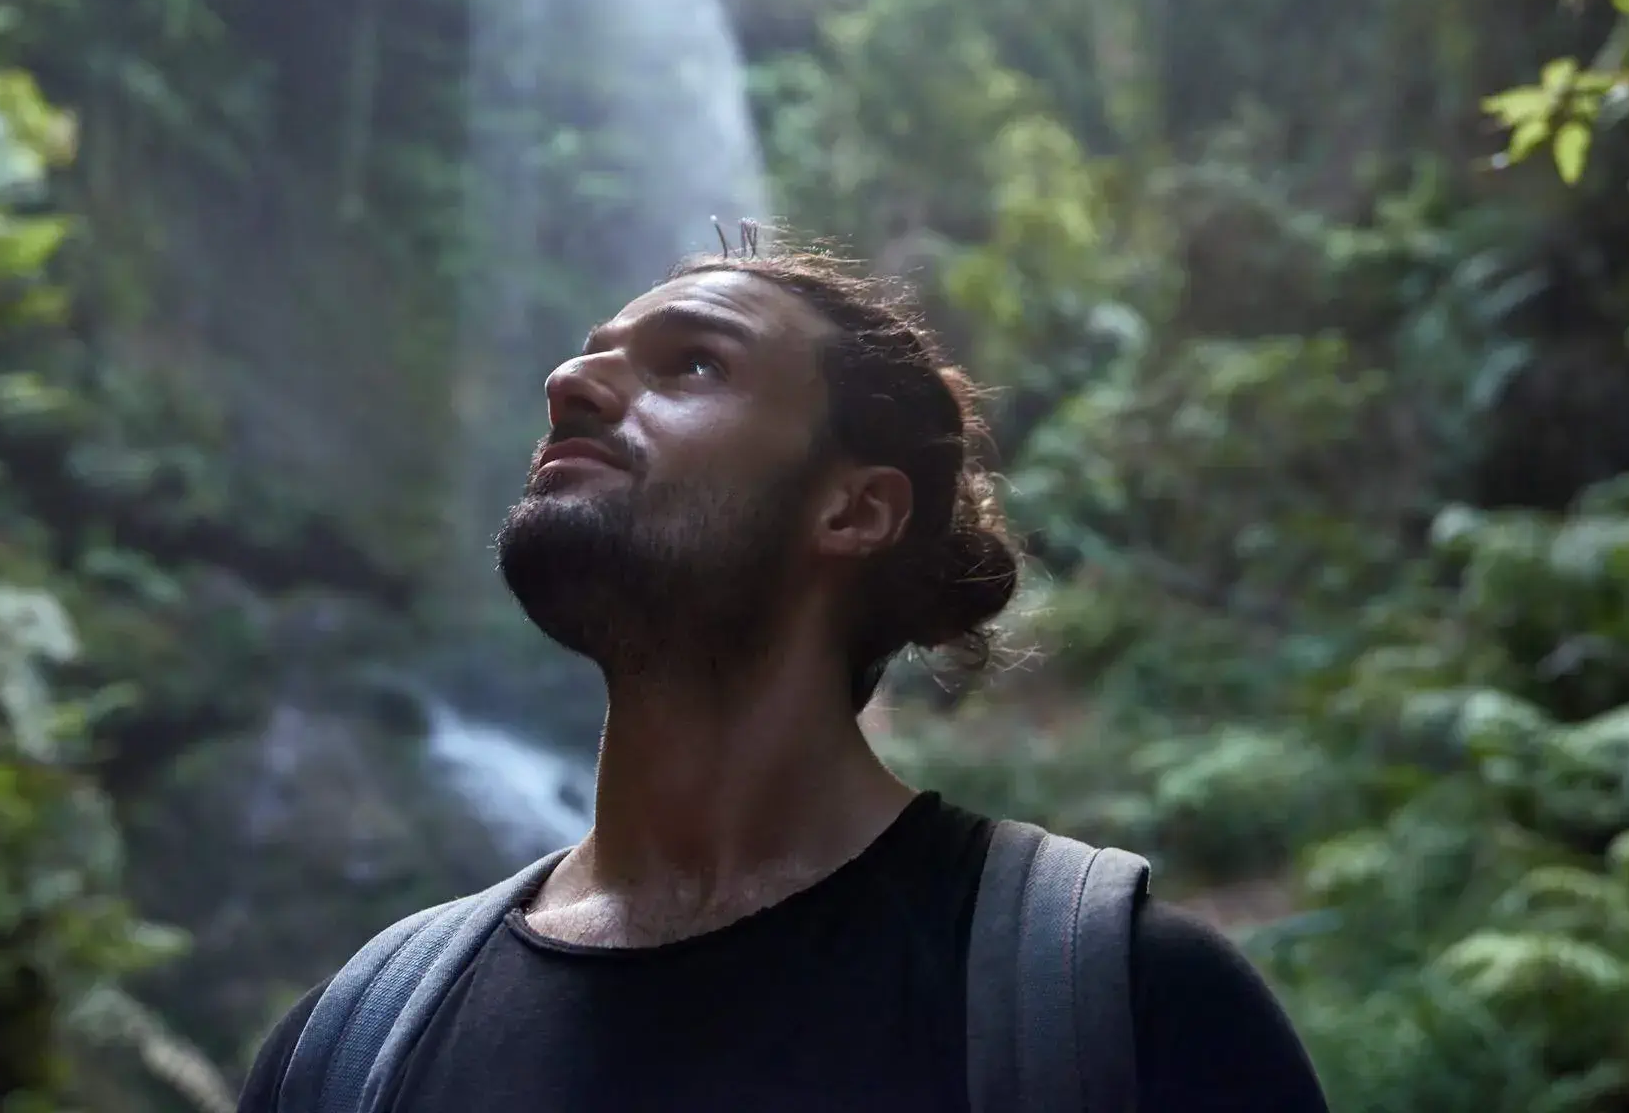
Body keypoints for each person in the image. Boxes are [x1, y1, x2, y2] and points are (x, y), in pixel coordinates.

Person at [237, 242, 1329, 1112]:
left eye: (692, 364)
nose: (568, 382)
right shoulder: (349, 1050)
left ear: (854, 509)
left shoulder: (1122, 1007)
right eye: (589, 354)